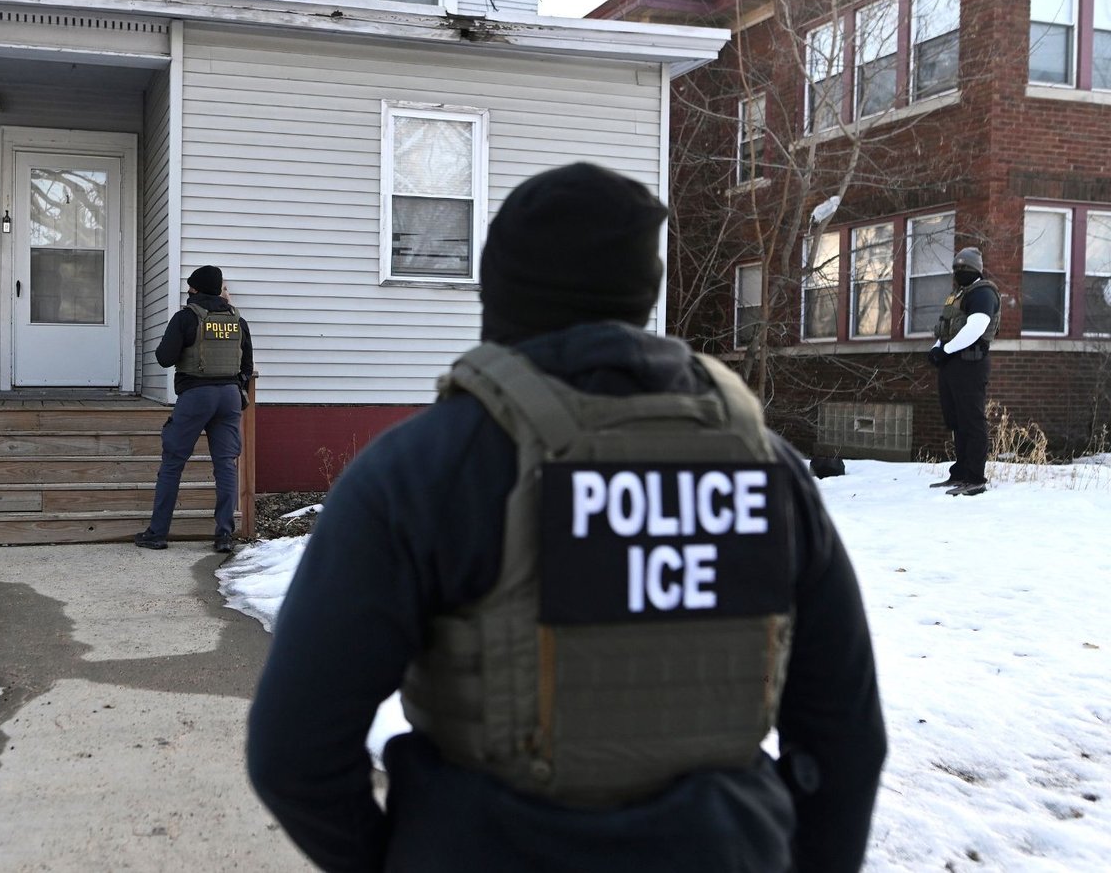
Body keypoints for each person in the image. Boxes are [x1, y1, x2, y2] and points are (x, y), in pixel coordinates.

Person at [246, 163, 886, 872]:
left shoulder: (421, 471)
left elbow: (294, 753)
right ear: (643, 289)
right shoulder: (769, 467)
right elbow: (845, 740)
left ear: (499, 289)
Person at [134, 265, 254, 553]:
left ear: (195, 289)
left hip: (196, 395)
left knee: (173, 463)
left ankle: (157, 533)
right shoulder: (237, 320)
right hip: (229, 396)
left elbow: (164, 358)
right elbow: (246, 365)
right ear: (219, 289)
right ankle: (224, 536)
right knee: (225, 465)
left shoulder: (186, 317)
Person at [928, 246, 999, 496]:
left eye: (965, 267)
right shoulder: (958, 295)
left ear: (976, 269)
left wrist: (946, 350)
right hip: (952, 363)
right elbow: (947, 327)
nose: (959, 272)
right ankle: (960, 473)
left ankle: (975, 478)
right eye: (956, 268)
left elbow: (976, 327)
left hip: (971, 363)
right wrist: (937, 348)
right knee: (957, 420)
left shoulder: (983, 293)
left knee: (972, 421)